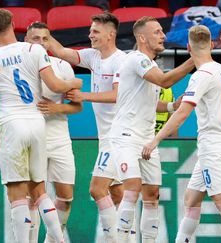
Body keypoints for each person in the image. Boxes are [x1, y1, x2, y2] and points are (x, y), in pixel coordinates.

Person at [0, 9, 81, 243]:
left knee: (17, 194)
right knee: (39, 191)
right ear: (14, 24)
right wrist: (75, 81)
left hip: (12, 125)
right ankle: (59, 239)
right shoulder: (34, 49)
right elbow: (56, 86)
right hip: (37, 123)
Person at [142, 25, 221, 243]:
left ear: (188, 47)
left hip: (212, 146)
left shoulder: (201, 76)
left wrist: (156, 140)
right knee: (191, 199)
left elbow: (181, 114)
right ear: (212, 45)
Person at [109, 16, 194, 243]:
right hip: (125, 136)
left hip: (146, 138)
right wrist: (195, 58)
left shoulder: (150, 64)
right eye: (157, 32)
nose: (163, 36)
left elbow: (145, 101)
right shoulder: (137, 58)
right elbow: (164, 81)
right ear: (142, 38)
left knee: (152, 194)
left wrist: (170, 106)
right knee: (133, 187)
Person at [47, 13, 130, 242]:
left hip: (118, 136)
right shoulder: (93, 56)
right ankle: (127, 238)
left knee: (96, 189)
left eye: (95, 31)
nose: (90, 35)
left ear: (110, 35)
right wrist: (47, 38)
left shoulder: (120, 60)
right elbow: (63, 52)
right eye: (91, 30)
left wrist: (83, 95)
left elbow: (116, 95)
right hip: (107, 136)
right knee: (117, 193)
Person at [25, 21, 82, 242]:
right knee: (33, 197)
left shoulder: (62, 65)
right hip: (32, 137)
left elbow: (78, 106)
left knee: (66, 197)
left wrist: (56, 107)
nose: (41, 43)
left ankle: (51, 239)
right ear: (26, 41)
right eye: (35, 38)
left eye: (45, 39)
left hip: (59, 137)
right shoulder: (20, 65)